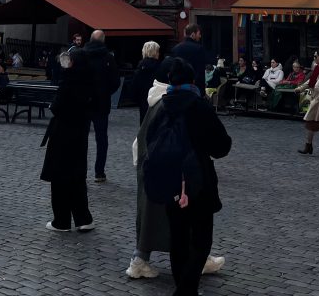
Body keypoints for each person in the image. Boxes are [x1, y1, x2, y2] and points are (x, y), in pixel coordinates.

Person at [127, 57, 226, 280]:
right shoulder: (184, 104)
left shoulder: (160, 102)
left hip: (155, 170)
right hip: (182, 175)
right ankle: (192, 264)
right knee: (188, 227)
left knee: (159, 219)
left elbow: (145, 137)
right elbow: (220, 144)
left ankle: (143, 258)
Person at [40, 48, 94, 232]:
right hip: (80, 135)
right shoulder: (88, 82)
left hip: (63, 134)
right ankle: (83, 219)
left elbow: (57, 107)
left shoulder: (68, 81)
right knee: (77, 177)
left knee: (59, 177)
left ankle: (61, 220)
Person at [83, 29, 120, 182]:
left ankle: (81, 171)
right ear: (103, 40)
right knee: (102, 139)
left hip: (84, 102)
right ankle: (99, 172)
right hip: (101, 103)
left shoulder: (82, 55)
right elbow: (116, 82)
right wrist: (105, 92)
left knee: (81, 138)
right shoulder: (108, 58)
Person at [295, 50, 319, 154]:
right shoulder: (318, 68)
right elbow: (311, 81)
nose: (314, 58)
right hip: (317, 99)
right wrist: (300, 88)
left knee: (315, 123)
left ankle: (310, 146)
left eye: (315, 56)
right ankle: (310, 145)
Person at [128, 41, 161, 122]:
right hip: (157, 99)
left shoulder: (140, 66)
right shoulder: (160, 67)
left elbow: (135, 84)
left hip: (143, 99)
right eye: (158, 51)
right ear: (155, 52)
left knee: (144, 121)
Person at [171, 24, 207, 96]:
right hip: (193, 88)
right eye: (199, 34)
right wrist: (202, 92)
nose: (200, 36)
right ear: (193, 34)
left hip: (178, 88)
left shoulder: (175, 48)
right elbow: (200, 72)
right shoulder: (199, 49)